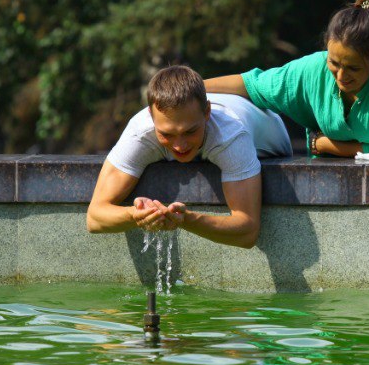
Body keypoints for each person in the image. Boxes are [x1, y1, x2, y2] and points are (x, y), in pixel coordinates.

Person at [205, 0, 369, 157]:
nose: (341, 76)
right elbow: (252, 85)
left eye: (354, 68)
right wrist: (191, 88)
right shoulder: (313, 69)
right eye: (334, 63)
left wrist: (323, 144)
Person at [87, 65, 291, 249]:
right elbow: (94, 218)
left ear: (207, 112)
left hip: (270, 135)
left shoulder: (231, 137)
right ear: (151, 116)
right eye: (166, 134)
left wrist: (186, 220)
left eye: (190, 131)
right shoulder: (140, 132)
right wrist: (136, 216)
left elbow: (247, 233)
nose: (179, 145)